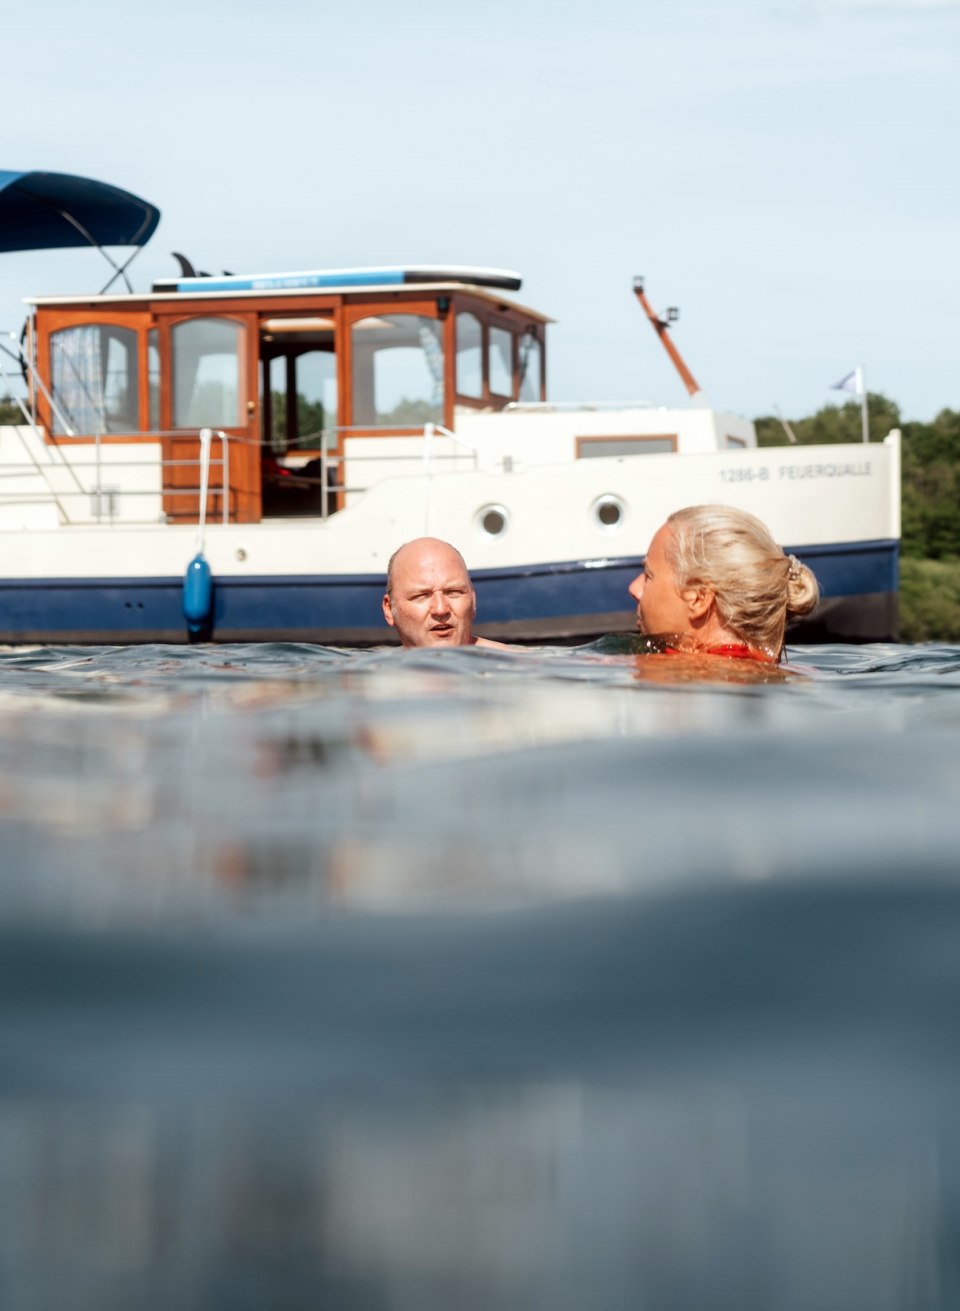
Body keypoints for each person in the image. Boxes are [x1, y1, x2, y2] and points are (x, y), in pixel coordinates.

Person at [628, 505, 820, 663]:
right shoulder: (779, 670)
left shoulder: (670, 669)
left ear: (698, 598)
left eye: (648, 575)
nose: (634, 588)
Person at [382, 537, 509, 649]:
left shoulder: (512, 665)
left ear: (473, 600)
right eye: (421, 596)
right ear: (389, 610)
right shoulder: (376, 672)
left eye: (454, 592)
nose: (441, 609)